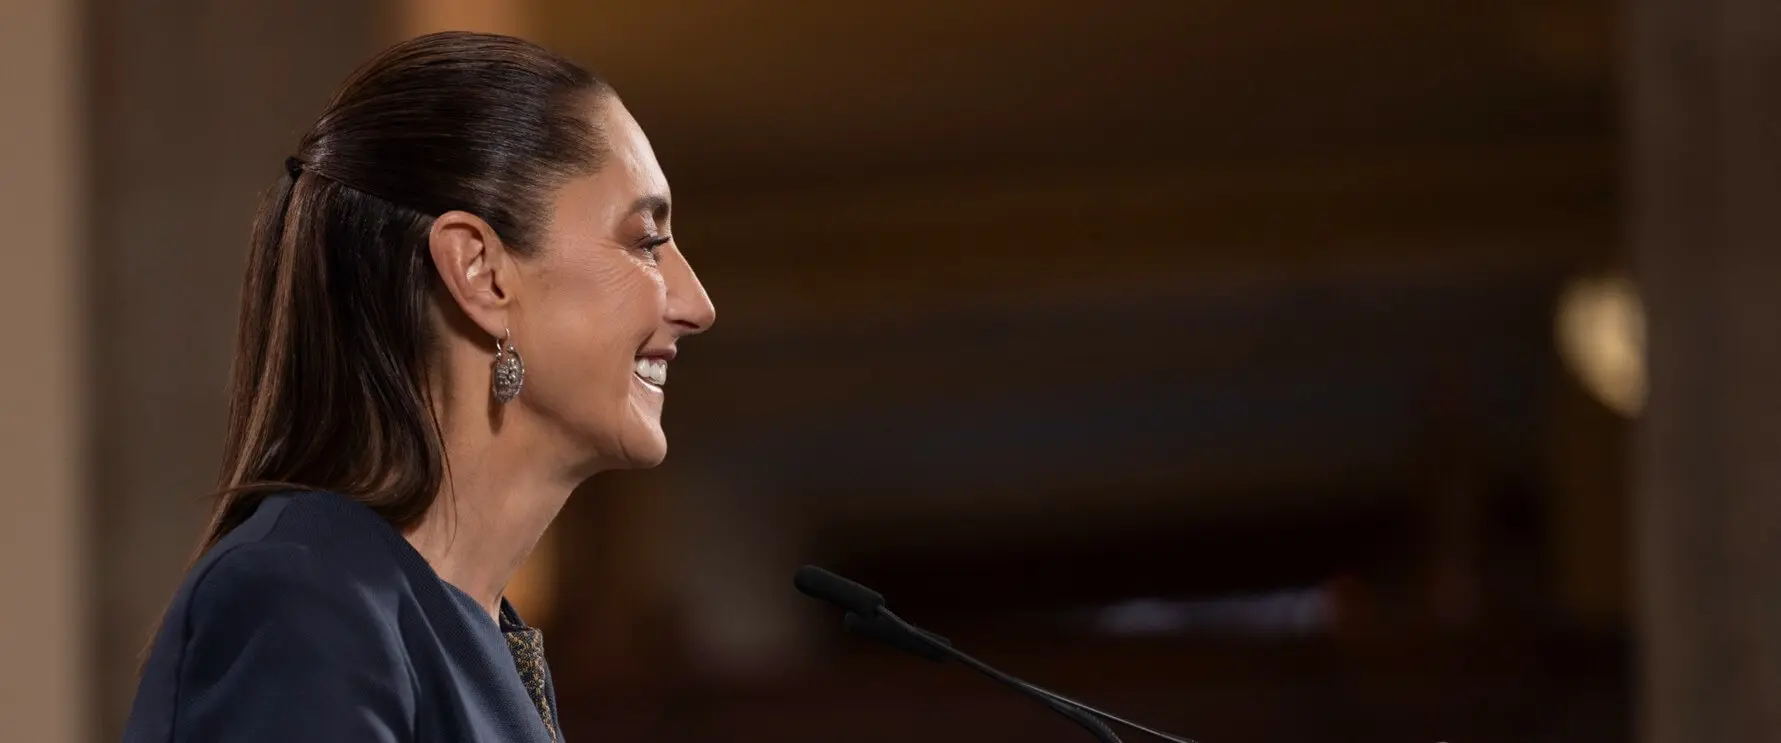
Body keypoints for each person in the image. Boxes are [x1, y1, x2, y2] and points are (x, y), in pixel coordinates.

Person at [121, 30, 715, 743]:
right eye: (645, 240)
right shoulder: (300, 598)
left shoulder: (478, 634)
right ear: (480, 271)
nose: (696, 303)